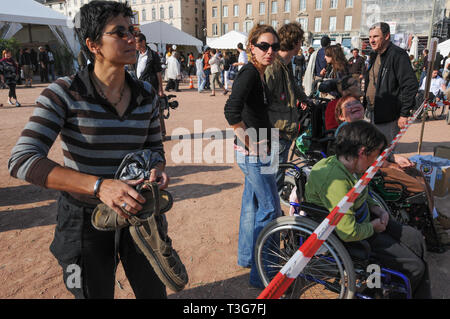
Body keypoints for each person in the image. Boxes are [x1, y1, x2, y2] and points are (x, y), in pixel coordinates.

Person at [8, 1, 170, 299]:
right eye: (119, 33)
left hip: (140, 214)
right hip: (84, 222)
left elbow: (153, 146)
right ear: (93, 44)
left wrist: (156, 169)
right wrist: (99, 186)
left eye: (132, 30)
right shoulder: (63, 92)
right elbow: (22, 160)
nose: (132, 38)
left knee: (154, 293)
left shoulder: (146, 94)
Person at [305, 120, 431, 299]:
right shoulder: (336, 181)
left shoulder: (349, 166)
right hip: (349, 234)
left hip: (361, 216)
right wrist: (374, 227)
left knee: (416, 238)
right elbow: (348, 232)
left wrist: (376, 208)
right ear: (362, 153)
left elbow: (363, 191)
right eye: (377, 154)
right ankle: (382, 292)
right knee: (414, 267)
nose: (379, 160)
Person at [224, 24, 281, 288]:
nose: (270, 51)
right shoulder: (249, 72)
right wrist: (253, 145)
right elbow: (231, 111)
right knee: (270, 209)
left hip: (254, 152)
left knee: (253, 206)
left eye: (274, 47)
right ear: (252, 47)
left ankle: (248, 258)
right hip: (253, 154)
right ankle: (263, 273)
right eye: (264, 46)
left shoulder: (256, 73)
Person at [265, 22, 308, 191]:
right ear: (296, 42)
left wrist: (304, 99)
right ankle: (271, 213)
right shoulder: (274, 65)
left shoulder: (285, 63)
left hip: (283, 127)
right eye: (300, 41)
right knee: (273, 179)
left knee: (277, 175)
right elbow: (262, 100)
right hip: (276, 130)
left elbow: (293, 85)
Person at [364, 22, 418, 144]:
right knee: (372, 150)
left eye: (376, 36)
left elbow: (410, 84)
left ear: (387, 36)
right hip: (371, 112)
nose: (371, 40)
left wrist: (404, 114)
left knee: (385, 154)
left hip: (388, 116)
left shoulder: (397, 54)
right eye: (370, 37)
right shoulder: (374, 55)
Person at [134, 33, 164, 98]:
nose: (134, 44)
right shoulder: (135, 54)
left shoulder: (153, 55)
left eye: (136, 42)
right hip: (138, 86)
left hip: (150, 86)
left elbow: (158, 73)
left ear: (143, 42)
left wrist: (160, 89)